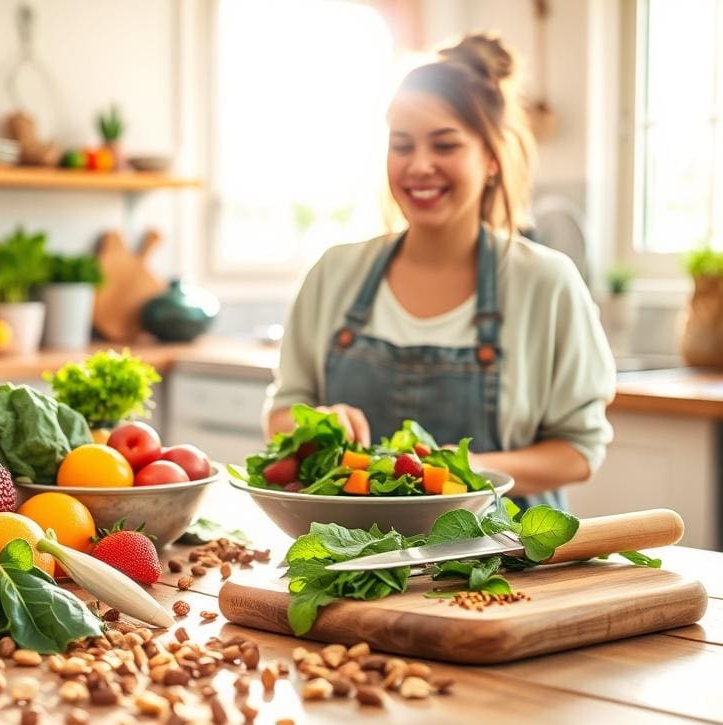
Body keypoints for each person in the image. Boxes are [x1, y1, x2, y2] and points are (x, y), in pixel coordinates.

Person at [262, 33, 616, 510]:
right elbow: (281, 415)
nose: (420, 166)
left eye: (445, 145)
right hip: (355, 556)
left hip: (504, 560)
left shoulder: (547, 282)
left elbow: (578, 451)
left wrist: (466, 470)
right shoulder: (333, 273)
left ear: (491, 159)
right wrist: (318, 423)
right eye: (401, 146)